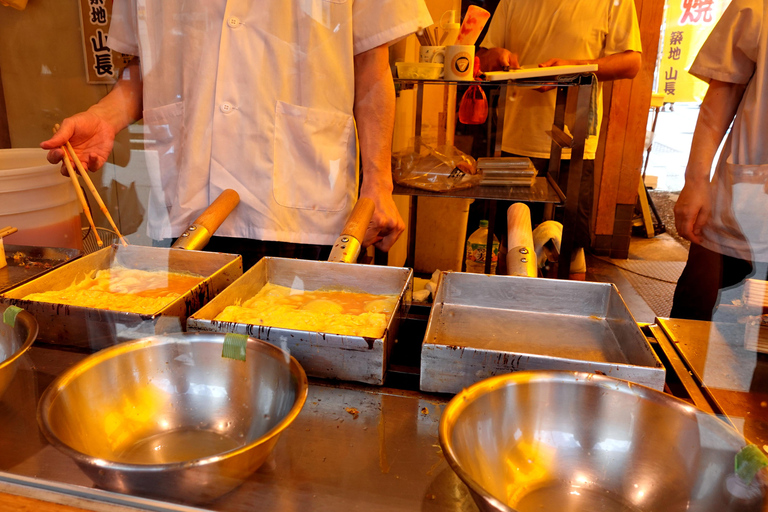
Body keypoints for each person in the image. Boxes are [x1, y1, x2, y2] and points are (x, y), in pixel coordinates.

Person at [41, 1, 432, 269]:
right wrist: (104, 117)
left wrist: (378, 182)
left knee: (303, 363)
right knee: (192, 370)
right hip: (189, 208)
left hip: (302, 209)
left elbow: (371, 65)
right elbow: (147, 67)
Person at [474, 0, 642, 264]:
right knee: (509, 243)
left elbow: (631, 63)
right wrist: (493, 57)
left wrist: (573, 68)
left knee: (568, 249)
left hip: (572, 145)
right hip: (513, 139)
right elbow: (481, 59)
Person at [672, 0, 768, 321]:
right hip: (746, 204)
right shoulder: (758, 6)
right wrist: (696, 181)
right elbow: (722, 94)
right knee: (699, 324)